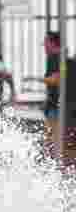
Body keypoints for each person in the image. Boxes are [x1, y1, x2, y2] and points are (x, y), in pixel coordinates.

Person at [34, 31, 76, 167]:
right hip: (65, 107)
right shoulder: (64, 59)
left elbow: (57, 79)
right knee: (64, 142)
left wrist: (41, 79)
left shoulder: (54, 58)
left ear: (52, 43)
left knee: (54, 142)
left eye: (46, 43)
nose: (44, 46)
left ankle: (55, 167)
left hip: (57, 108)